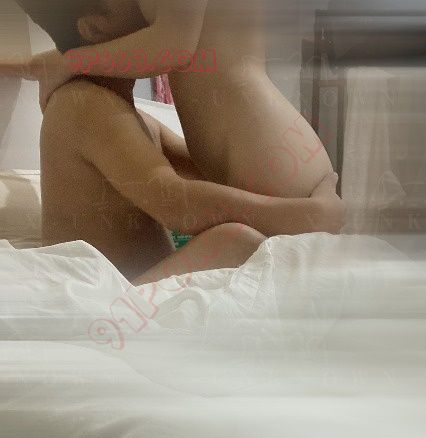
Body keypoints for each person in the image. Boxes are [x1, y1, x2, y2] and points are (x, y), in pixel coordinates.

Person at [5, 1, 344, 283]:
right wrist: (305, 214)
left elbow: (195, 177)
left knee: (234, 239)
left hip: (136, 280)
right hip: (104, 288)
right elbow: (177, 204)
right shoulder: (86, 104)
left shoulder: (133, 118)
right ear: (95, 29)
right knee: (234, 241)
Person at [25, 0, 335, 198]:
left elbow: (173, 46)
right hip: (263, 148)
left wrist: (70, 62)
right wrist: (47, 64)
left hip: (264, 151)